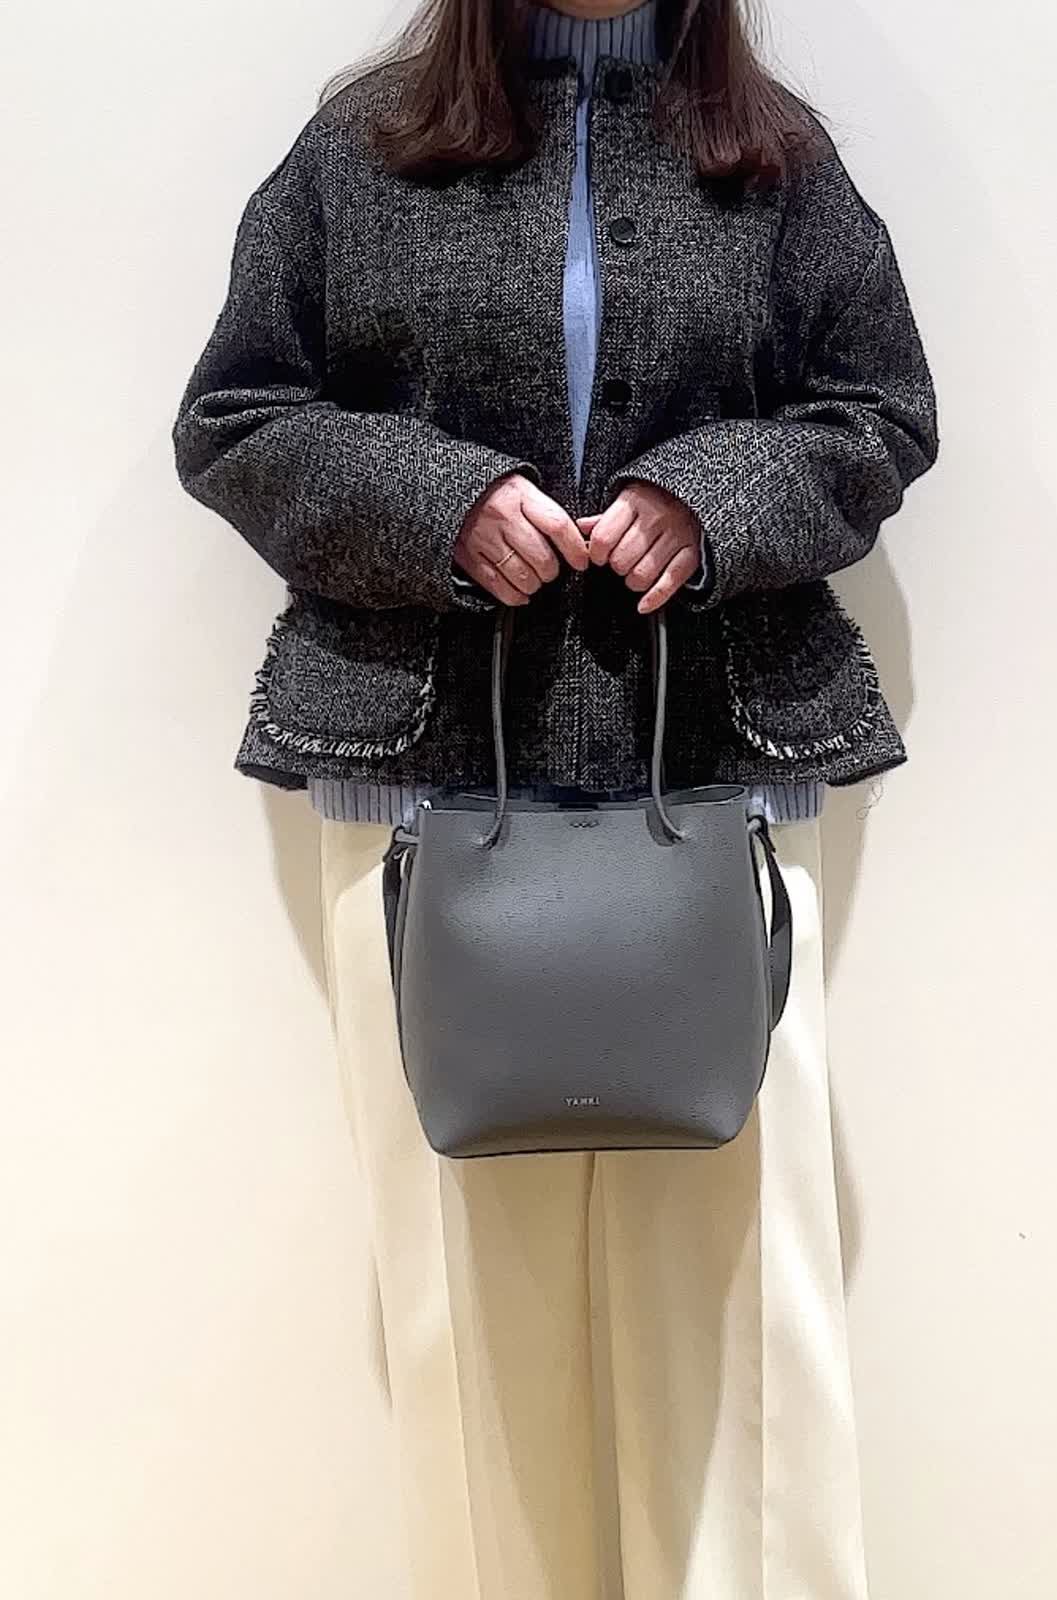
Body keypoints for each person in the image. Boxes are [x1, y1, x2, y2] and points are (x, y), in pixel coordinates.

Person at [172, 1, 938, 1593]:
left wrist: (708, 497)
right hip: (424, 794)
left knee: (741, 1315)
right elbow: (235, 419)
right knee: (466, 1312)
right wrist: (442, 502)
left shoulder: (775, 162)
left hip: (716, 778)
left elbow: (881, 413)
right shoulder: (358, 154)